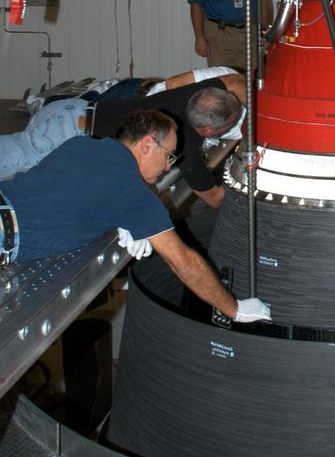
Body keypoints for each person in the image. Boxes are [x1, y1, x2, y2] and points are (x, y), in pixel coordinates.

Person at [0, 109, 269, 324]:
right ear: (148, 144)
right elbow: (183, 262)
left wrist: (122, 219)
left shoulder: (80, 144)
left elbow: (72, 193)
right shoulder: (132, 190)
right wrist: (234, 309)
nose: (167, 168)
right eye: (169, 156)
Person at [0, 77, 244, 207]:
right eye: (230, 126)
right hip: (64, 133)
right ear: (209, 130)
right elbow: (213, 198)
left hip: (74, 110)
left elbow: (233, 81)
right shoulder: (185, 146)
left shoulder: (198, 96)